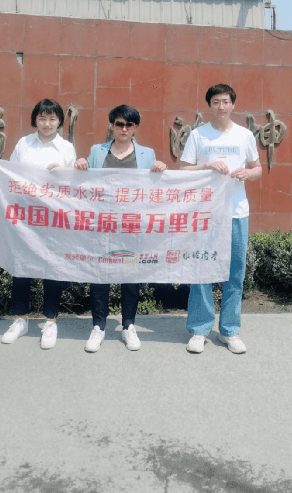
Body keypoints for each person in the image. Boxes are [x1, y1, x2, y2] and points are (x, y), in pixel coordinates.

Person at [0, 98, 76, 349]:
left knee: (52, 268)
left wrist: (62, 172)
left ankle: (50, 321)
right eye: (42, 118)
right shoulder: (24, 144)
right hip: (25, 216)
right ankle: (20, 319)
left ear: (59, 121)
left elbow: (73, 184)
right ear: (35, 120)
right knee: (22, 267)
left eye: (52, 119)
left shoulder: (66, 148)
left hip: (53, 218)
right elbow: (11, 174)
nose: (47, 123)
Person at [75, 104, 167, 353]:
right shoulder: (97, 151)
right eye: (119, 124)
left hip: (132, 225)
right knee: (100, 276)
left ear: (135, 127)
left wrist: (160, 170)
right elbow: (85, 182)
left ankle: (128, 326)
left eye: (129, 125)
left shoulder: (147, 154)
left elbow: (154, 188)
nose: (124, 129)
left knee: (130, 277)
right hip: (102, 223)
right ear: (111, 126)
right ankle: (98, 326)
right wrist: (80, 164)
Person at [180, 84, 262, 354]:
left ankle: (230, 330)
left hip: (236, 211)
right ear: (210, 105)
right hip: (205, 213)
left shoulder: (244, 135)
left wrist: (247, 173)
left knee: (235, 272)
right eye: (216, 102)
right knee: (201, 269)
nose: (221, 106)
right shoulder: (198, 135)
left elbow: (257, 168)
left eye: (226, 101)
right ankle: (199, 329)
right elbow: (183, 169)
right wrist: (207, 165)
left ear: (233, 105)